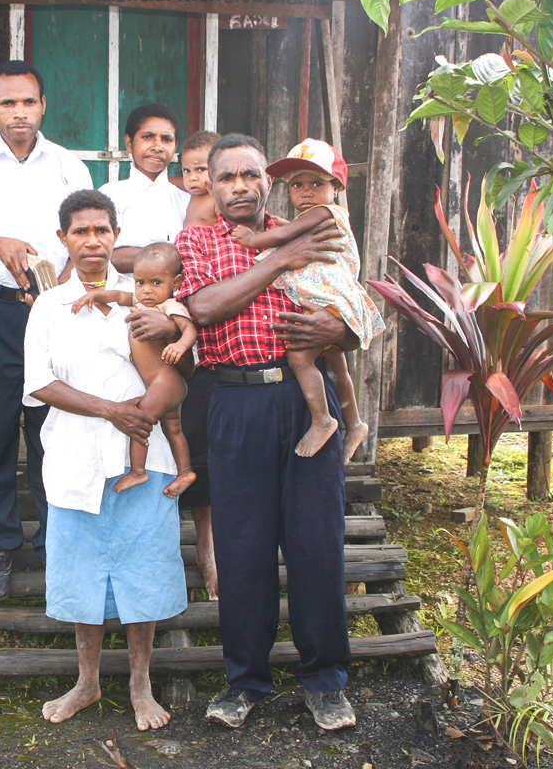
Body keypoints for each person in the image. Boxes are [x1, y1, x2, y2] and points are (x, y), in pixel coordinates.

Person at [176, 134, 362, 731]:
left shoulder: (307, 224)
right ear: (209, 182)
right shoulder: (198, 240)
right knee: (243, 547)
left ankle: (326, 680)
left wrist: (336, 333)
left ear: (266, 181)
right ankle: (245, 681)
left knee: (317, 542)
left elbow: (352, 309)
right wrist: (278, 260)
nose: (239, 187)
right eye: (225, 177)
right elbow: (205, 309)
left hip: (302, 398)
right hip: (234, 401)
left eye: (250, 176)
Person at [25, 190, 188, 731]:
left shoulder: (148, 302)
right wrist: (110, 411)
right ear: (63, 240)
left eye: (101, 230)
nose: (92, 241)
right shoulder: (49, 306)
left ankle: (141, 684)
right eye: (80, 232)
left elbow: (178, 364)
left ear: (117, 236)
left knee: (141, 571)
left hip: (146, 457)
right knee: (81, 575)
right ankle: (87, 682)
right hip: (76, 459)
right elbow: (39, 383)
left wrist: (166, 331)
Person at [0, 60, 93, 599]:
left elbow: (86, 239)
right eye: (8, 103)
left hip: (53, 312)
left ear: (43, 105)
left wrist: (64, 291)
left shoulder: (69, 168)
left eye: (28, 101)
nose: (19, 112)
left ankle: (58, 544)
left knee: (54, 430)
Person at [232, 139, 385, 463]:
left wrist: (253, 238)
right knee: (333, 361)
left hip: (328, 296)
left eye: (317, 183)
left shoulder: (322, 212)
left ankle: (323, 419)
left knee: (301, 356)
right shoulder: (319, 215)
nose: (305, 191)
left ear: (336, 186)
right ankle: (355, 422)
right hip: (333, 297)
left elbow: (281, 236)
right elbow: (293, 229)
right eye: (297, 184)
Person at [72, 242, 198, 497]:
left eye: (155, 283)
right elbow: (117, 296)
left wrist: (180, 346)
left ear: (175, 283)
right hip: (163, 385)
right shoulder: (141, 302)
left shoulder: (168, 307)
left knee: (140, 421)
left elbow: (189, 329)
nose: (146, 290)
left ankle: (138, 472)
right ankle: (186, 472)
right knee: (173, 429)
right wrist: (95, 295)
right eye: (140, 282)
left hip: (166, 383)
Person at [100, 103, 191, 274]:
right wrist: (175, 256)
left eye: (167, 139)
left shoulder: (187, 199)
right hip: (120, 296)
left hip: (178, 299)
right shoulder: (110, 194)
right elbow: (105, 256)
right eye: (148, 137)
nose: (157, 146)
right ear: (129, 143)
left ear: (176, 146)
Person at [180, 131, 220, 228]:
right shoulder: (193, 194)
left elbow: (228, 229)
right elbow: (169, 181)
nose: (192, 178)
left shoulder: (217, 199)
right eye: (187, 170)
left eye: (201, 169)